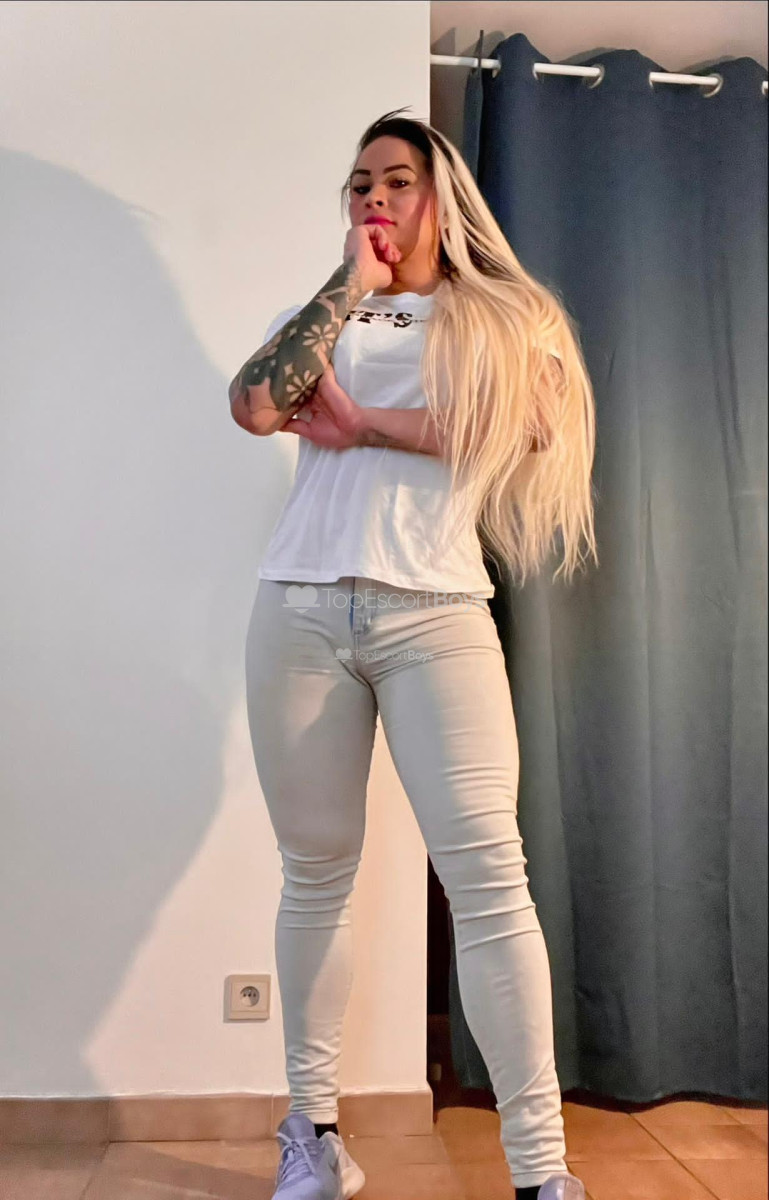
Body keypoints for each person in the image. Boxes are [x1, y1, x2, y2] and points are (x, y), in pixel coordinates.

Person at [229, 108, 598, 1200]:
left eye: (396, 179)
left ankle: (541, 1173)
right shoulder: (320, 315)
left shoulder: (505, 316)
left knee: (488, 879)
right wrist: (347, 284)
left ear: (442, 197)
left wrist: (368, 426)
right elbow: (255, 405)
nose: (375, 197)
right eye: (359, 183)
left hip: (436, 611)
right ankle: (314, 1136)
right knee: (313, 876)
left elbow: (524, 428)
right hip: (300, 608)